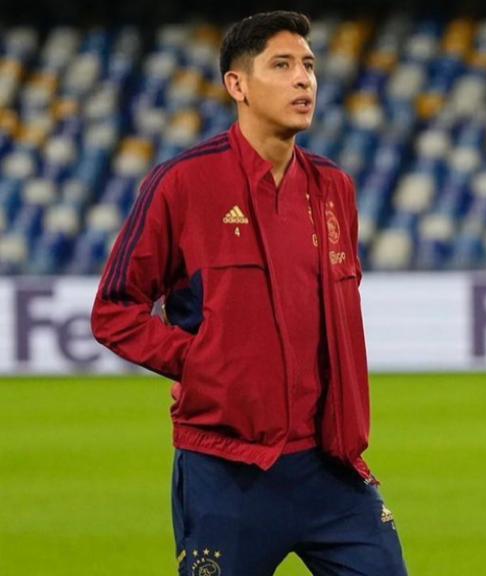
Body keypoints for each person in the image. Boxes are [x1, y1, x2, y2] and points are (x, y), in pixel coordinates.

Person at [91, 11, 407, 576]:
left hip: (331, 466)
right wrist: (202, 361)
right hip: (227, 471)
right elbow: (115, 310)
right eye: (281, 66)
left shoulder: (334, 187)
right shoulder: (183, 183)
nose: (303, 79)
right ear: (236, 85)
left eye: (308, 65)